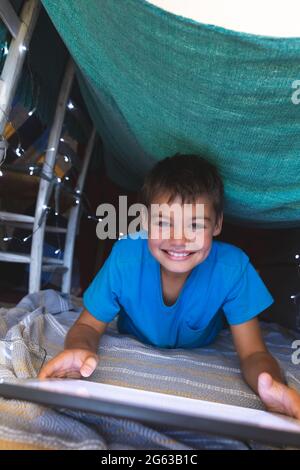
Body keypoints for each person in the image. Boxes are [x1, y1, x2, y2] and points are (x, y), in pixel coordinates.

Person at [39, 154, 300, 419]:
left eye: (195, 225)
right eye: (163, 223)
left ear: (218, 224)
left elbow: (253, 352)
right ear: (145, 222)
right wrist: (79, 350)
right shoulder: (126, 256)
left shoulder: (232, 268)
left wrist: (270, 384)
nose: (178, 240)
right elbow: (87, 326)